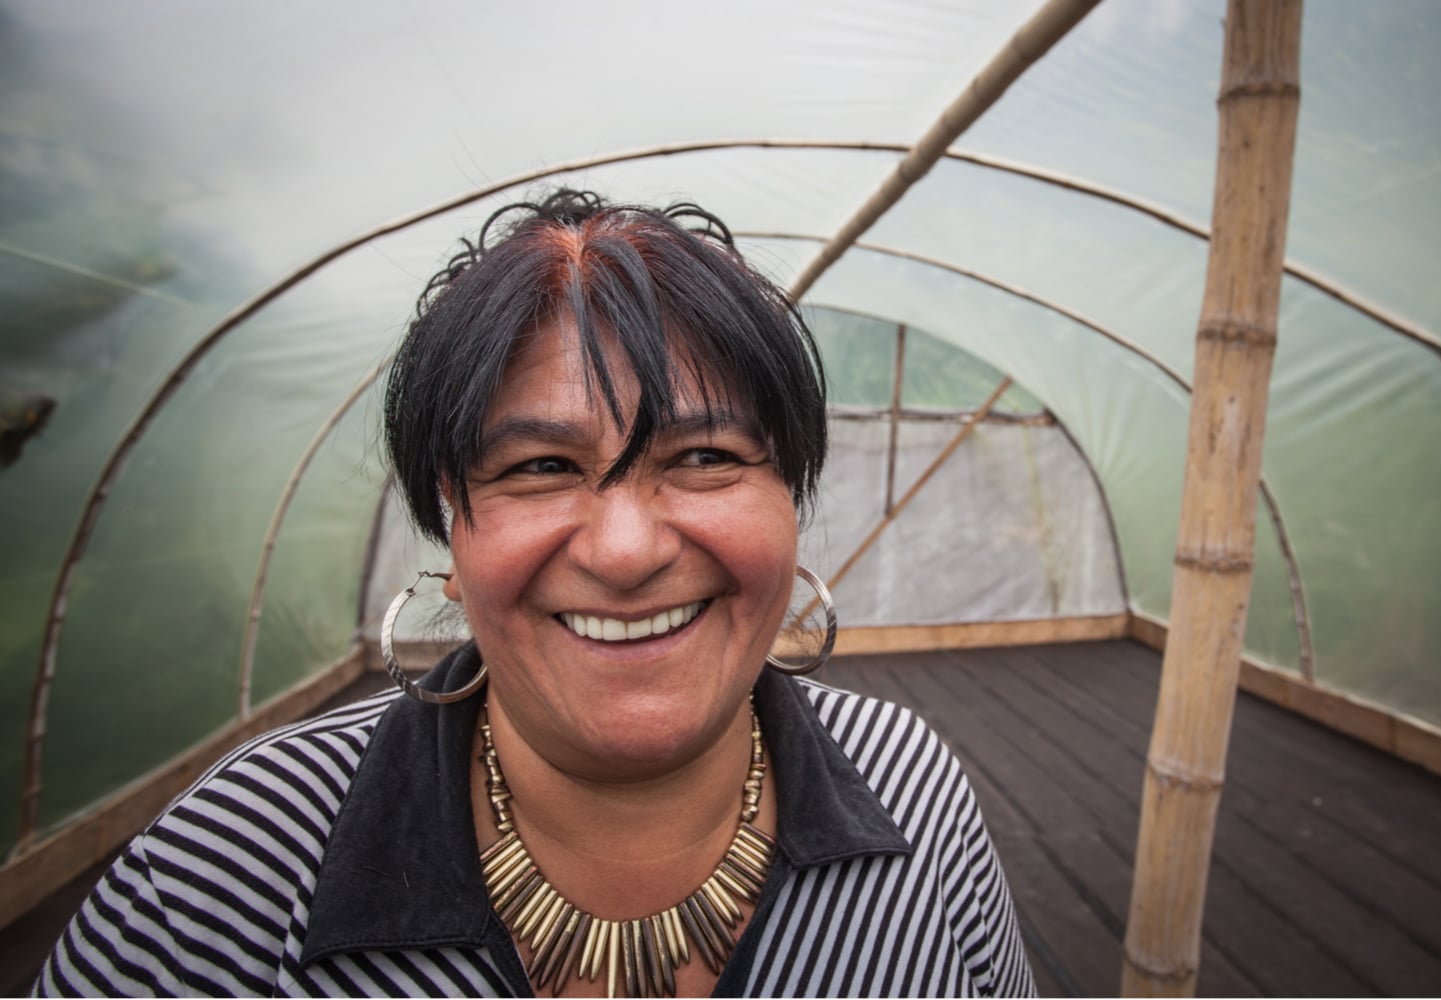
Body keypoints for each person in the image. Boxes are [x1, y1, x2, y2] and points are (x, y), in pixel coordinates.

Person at [36, 189, 1036, 998]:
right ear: (449, 515)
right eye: (541, 467)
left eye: (704, 455)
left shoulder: (914, 790)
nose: (627, 549)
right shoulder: (223, 880)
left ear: (793, 494)